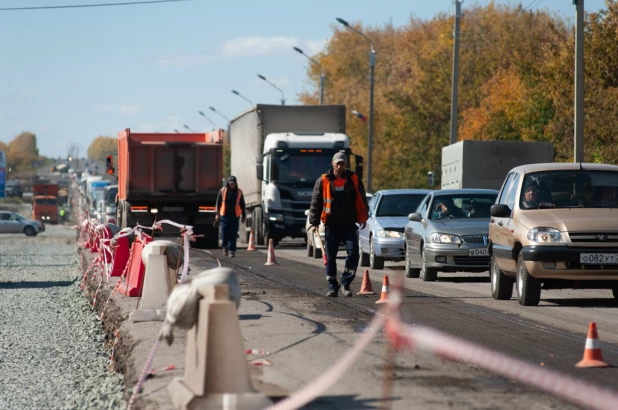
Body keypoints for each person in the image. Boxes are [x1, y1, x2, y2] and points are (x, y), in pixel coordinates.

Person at [308, 152, 369, 297]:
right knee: (330, 257)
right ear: (332, 163)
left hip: (349, 224)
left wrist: (363, 216)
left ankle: (346, 283)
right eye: (338, 163)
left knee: (353, 253)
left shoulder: (353, 179)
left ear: (345, 164)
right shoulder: (323, 181)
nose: (340, 166)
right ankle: (332, 286)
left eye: (342, 163)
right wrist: (314, 222)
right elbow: (315, 202)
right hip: (331, 224)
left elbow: (362, 198)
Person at [215, 176, 246, 258]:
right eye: (231, 183)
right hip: (224, 216)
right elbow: (217, 204)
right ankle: (225, 246)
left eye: (233, 183)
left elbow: (242, 204)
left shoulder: (239, 192)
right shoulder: (223, 191)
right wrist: (217, 215)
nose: (232, 185)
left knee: (233, 234)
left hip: (235, 216)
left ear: (236, 184)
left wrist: (244, 216)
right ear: (228, 183)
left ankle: (232, 251)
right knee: (224, 233)